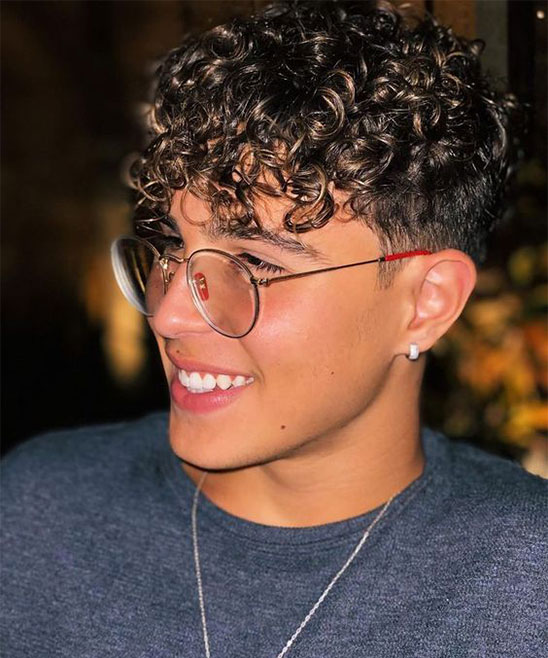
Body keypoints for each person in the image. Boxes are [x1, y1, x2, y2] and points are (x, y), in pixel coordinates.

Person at [2, 1, 546, 656]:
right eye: (171, 247)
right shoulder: (39, 515)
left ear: (428, 302)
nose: (169, 313)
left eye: (255, 264)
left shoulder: (525, 582)